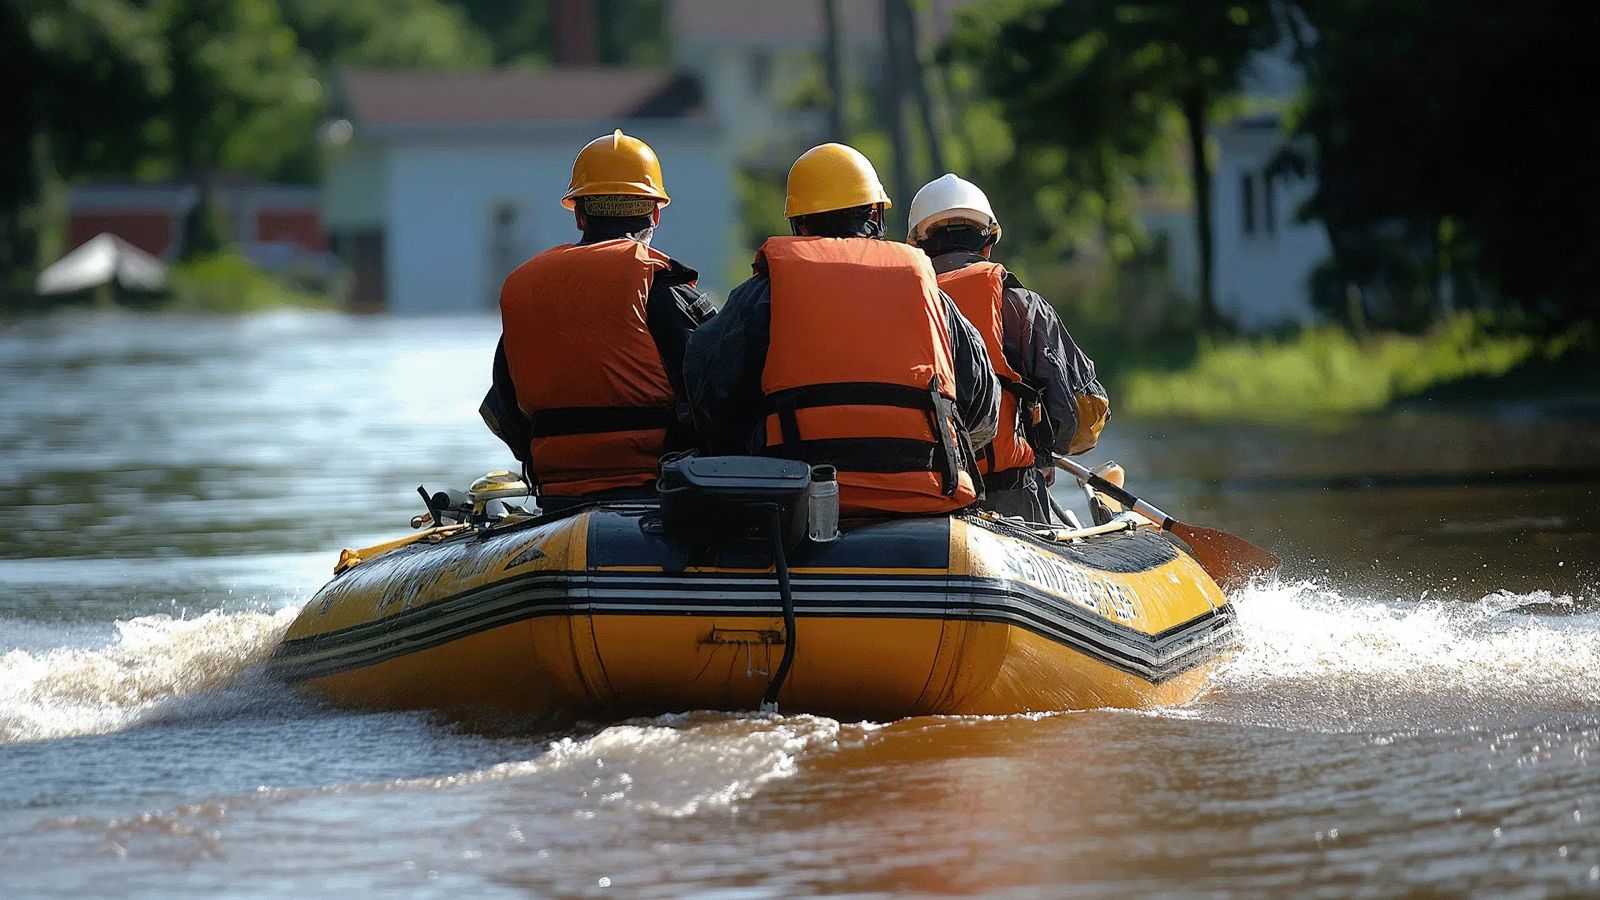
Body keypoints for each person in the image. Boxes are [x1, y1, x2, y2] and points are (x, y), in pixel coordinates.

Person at [683, 143, 1000, 516]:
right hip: (923, 493)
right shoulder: (927, 290)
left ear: (799, 224)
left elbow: (708, 394)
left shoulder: (761, 296)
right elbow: (982, 408)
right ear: (875, 216)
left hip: (794, 496)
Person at [481, 129, 715, 509]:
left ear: (579, 215)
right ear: (655, 213)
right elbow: (716, 389)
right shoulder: (661, 288)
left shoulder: (527, 291)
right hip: (655, 492)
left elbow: (503, 408)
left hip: (558, 497)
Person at [906, 173, 1111, 522]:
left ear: (918, 249)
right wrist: (1044, 452)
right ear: (987, 245)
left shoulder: (901, 306)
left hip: (924, 495)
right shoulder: (1020, 306)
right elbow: (1080, 410)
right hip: (1009, 493)